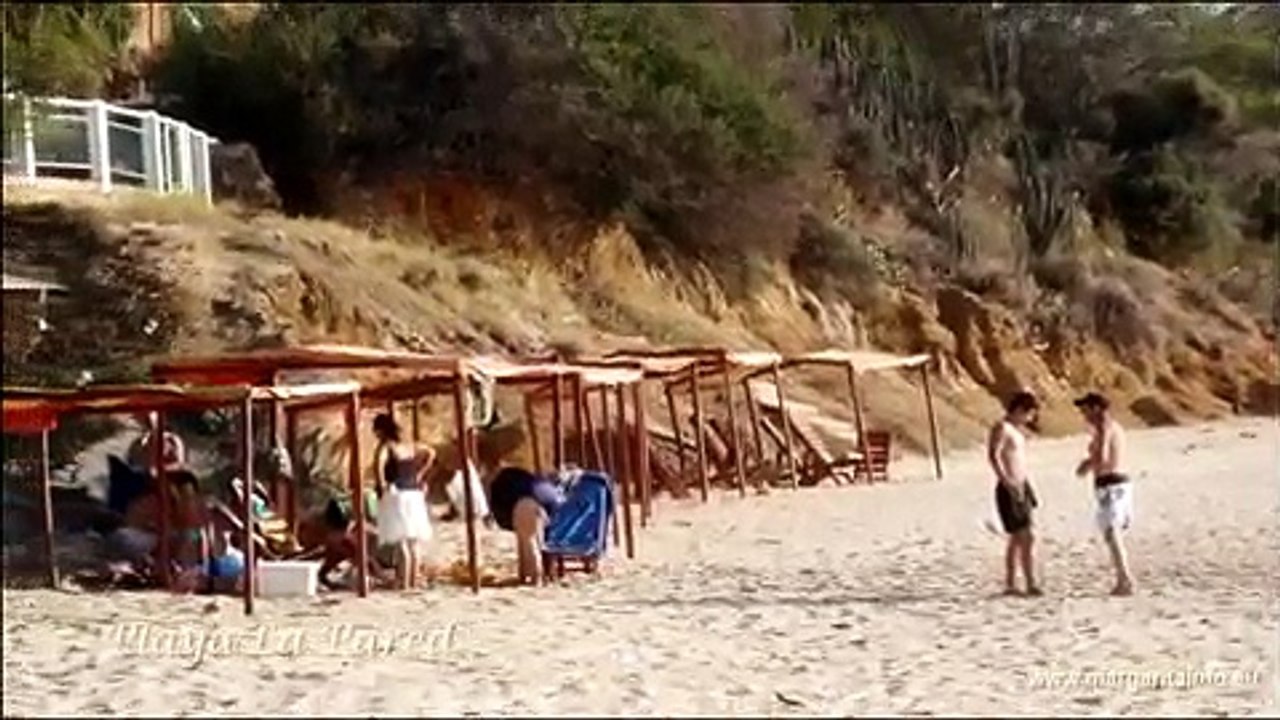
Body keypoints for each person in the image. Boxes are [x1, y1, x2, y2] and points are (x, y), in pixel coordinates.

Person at [1074, 392, 1135, 596]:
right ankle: (1123, 578)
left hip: (1111, 483)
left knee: (1111, 532)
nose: (1083, 415)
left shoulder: (1104, 427)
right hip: (1117, 483)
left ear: (1096, 408)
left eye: (1085, 410)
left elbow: (1102, 457)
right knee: (1113, 532)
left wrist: (1087, 464)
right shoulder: (1111, 427)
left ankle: (1124, 579)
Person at [371, 413, 434, 590]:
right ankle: (413, 581)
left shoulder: (386, 446)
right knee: (414, 542)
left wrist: (381, 486)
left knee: (402, 542)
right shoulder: (409, 446)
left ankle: (404, 583)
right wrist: (420, 474)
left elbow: (378, 466)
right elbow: (430, 452)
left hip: (396, 493)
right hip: (413, 493)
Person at [987, 391, 1042, 597]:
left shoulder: (1017, 431)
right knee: (1026, 535)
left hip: (1022, 485)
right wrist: (1006, 481)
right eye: (1029, 414)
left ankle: (1013, 583)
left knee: (1019, 538)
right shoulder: (1002, 428)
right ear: (1019, 410)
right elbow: (994, 456)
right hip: (1009, 486)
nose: (1030, 419)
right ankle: (1030, 583)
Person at [488, 466, 566, 585]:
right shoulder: (534, 482)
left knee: (529, 542)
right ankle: (543, 574)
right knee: (539, 541)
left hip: (527, 503)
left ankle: (536, 577)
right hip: (552, 504)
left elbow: (499, 508)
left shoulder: (503, 483)